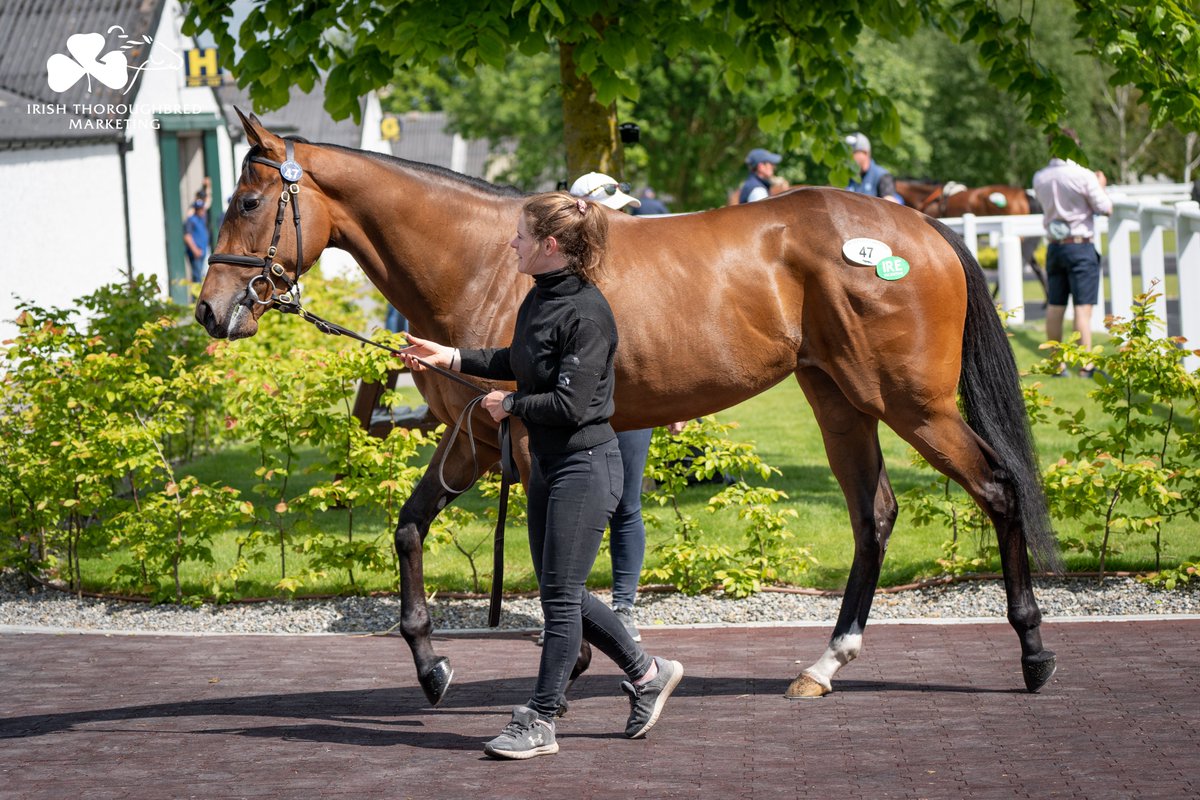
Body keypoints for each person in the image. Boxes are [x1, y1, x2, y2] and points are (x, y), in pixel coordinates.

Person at [400, 192, 684, 760]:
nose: (513, 243)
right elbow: (516, 359)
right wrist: (449, 357)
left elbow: (572, 404)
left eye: (522, 237)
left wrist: (511, 408)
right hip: (550, 466)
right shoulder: (541, 298)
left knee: (558, 601)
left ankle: (541, 718)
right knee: (566, 594)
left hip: (586, 466)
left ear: (550, 247)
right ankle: (648, 671)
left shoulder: (587, 312)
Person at [1032, 129, 1113, 378]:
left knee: (1055, 306)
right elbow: (1105, 208)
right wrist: (1100, 185)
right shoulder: (1083, 175)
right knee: (1082, 309)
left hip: (1055, 246)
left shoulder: (1040, 177)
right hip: (1079, 245)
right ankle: (1085, 366)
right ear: (1073, 146)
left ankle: (1057, 365)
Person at [844, 133, 901, 203]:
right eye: (845, 153)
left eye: (852, 152)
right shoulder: (844, 175)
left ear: (865, 153)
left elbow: (891, 205)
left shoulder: (883, 177)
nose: (847, 157)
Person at [183, 177, 212, 283]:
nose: (202, 210)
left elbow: (208, 200)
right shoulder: (191, 218)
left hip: (204, 250)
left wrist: (208, 187)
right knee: (197, 276)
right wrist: (195, 249)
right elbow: (187, 236)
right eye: (199, 209)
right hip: (196, 252)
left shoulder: (202, 217)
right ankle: (196, 298)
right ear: (195, 209)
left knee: (204, 274)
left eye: (202, 209)